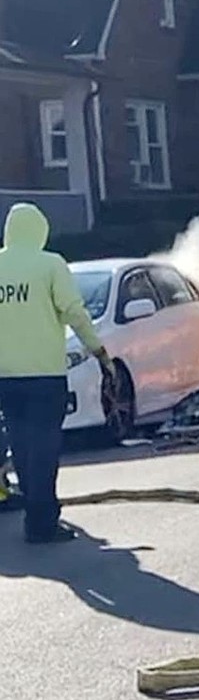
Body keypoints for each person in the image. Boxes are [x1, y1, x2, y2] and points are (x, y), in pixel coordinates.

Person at [0, 203, 114, 543]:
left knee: (21, 446)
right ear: (40, 231)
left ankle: (34, 514)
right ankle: (42, 523)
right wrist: (99, 351)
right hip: (44, 375)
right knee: (45, 447)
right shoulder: (50, 265)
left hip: (5, 378)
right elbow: (75, 313)